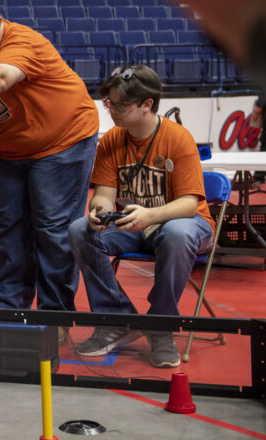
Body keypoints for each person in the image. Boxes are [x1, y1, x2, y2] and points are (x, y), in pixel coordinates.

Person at [0, 0, 99, 312]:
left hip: (62, 142)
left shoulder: (24, 42)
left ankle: (54, 315)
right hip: (10, 151)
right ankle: (8, 307)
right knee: (9, 228)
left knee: (52, 230)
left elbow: (1, 78)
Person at [67, 65, 215, 368]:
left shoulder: (178, 138)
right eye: (108, 103)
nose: (111, 110)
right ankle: (116, 320)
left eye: (119, 104)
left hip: (186, 225)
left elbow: (189, 204)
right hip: (135, 223)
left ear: (147, 104)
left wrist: (151, 215)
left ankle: (160, 328)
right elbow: (105, 192)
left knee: (176, 233)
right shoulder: (111, 140)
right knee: (81, 230)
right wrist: (100, 210)